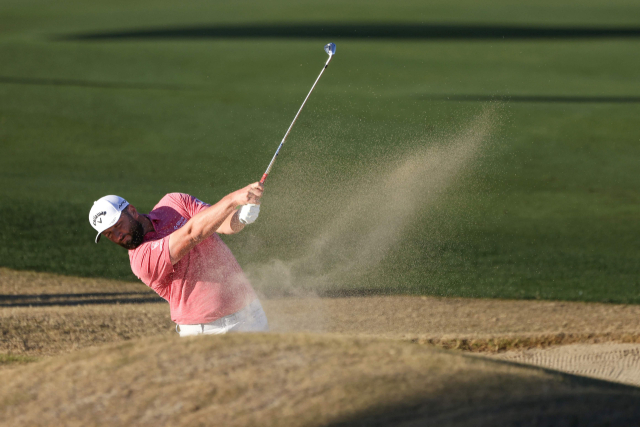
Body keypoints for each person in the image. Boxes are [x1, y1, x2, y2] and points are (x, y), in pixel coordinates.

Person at [88, 183, 268, 337]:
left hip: (251, 314)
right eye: (109, 234)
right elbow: (191, 235)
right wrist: (233, 199)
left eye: (118, 225)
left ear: (133, 211)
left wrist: (241, 217)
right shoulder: (141, 261)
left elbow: (223, 223)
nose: (118, 236)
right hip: (207, 333)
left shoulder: (174, 203)